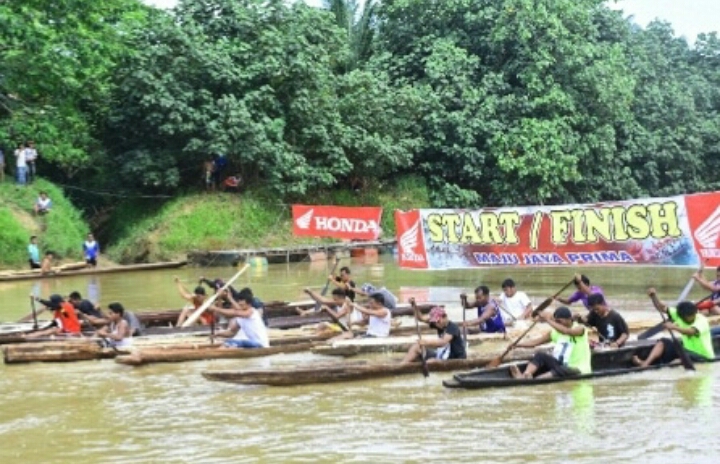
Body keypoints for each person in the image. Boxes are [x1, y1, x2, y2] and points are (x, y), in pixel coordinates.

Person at [632, 290, 715, 367]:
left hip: (703, 356)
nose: (689, 318)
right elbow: (662, 308)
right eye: (686, 317)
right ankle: (645, 364)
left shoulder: (701, 320)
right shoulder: (679, 314)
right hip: (686, 350)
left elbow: (691, 331)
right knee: (663, 342)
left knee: (677, 361)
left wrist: (673, 327)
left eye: (691, 316)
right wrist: (654, 296)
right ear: (682, 316)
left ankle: (664, 370)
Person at [509, 306, 592, 379]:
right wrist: (517, 344)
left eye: (559, 321)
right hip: (561, 365)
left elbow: (566, 331)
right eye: (556, 321)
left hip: (578, 368)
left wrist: (547, 320)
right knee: (540, 355)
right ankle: (526, 375)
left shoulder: (580, 329)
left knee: (561, 370)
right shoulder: (555, 332)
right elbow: (535, 342)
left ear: (569, 320)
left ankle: (535, 380)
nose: (557, 324)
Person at [402, 306, 467, 363]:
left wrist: (426, 342)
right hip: (441, 354)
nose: (436, 324)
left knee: (431, 362)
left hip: (454, 358)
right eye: (435, 322)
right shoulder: (438, 324)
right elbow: (421, 318)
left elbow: (442, 342)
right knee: (417, 347)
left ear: (445, 317)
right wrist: (414, 305)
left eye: (438, 321)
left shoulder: (453, 327)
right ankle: (402, 365)